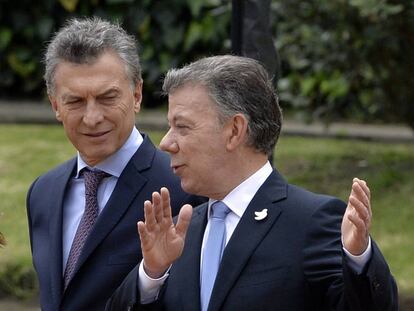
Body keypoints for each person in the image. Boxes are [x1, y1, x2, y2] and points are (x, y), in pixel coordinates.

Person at [106, 55, 399, 311]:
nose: (166, 143)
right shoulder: (181, 232)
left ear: (234, 131)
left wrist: (358, 259)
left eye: (182, 127)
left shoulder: (310, 221)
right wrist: (151, 275)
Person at [26, 17, 204, 311]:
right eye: (75, 102)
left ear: (137, 95)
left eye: (108, 98)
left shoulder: (183, 189)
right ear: (55, 105)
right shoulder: (42, 193)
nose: (92, 117)